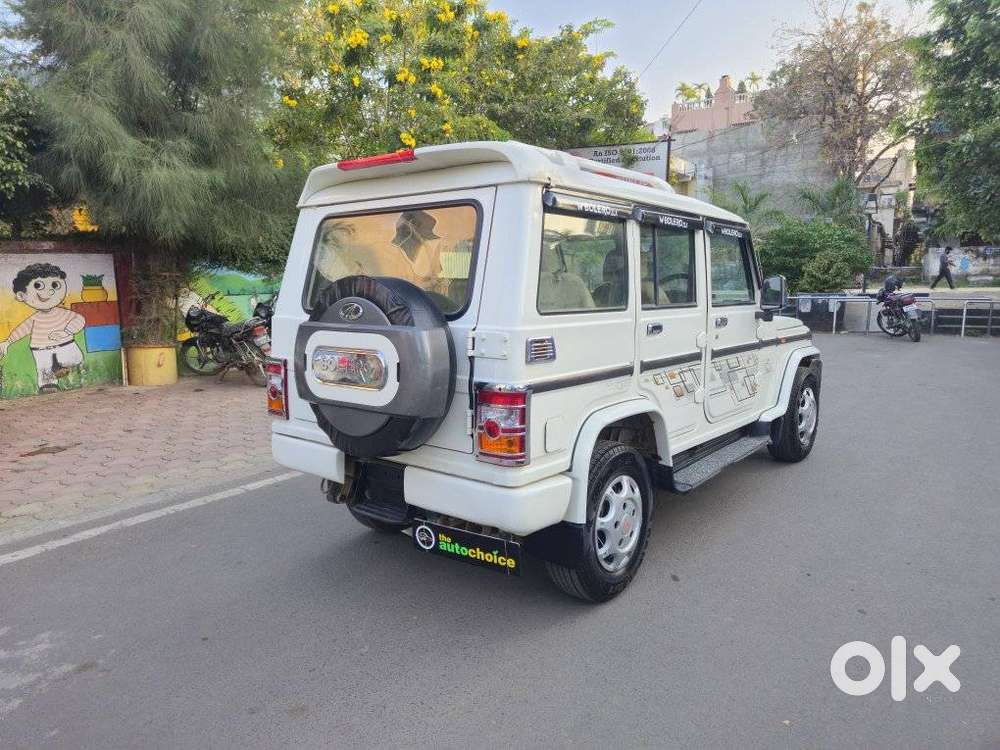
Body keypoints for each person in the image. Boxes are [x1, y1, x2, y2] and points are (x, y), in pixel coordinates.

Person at [0, 263, 86, 393]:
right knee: (44, 368)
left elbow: (80, 319)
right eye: (38, 286)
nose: (49, 291)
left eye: (55, 285)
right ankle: (48, 386)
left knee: (76, 358)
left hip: (65, 343)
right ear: (21, 296)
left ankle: (60, 366)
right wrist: (8, 342)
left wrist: (67, 331)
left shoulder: (64, 313)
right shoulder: (34, 318)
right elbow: (22, 329)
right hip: (40, 349)